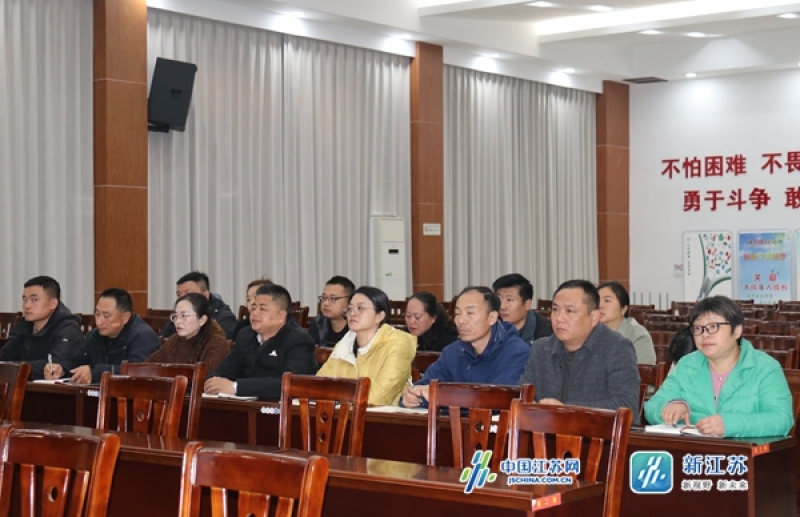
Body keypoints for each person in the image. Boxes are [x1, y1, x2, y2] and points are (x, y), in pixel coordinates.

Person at [645, 296, 792, 438]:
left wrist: (728, 424)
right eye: (698, 328)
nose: (705, 335)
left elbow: (781, 419)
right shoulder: (687, 365)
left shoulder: (765, 368)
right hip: (694, 451)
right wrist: (674, 406)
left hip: (744, 452)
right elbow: (651, 407)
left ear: (737, 330)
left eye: (713, 327)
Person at [517, 280, 640, 423]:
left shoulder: (617, 348)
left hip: (596, 434)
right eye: (555, 309)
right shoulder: (541, 349)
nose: (559, 318)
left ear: (594, 317)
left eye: (570, 311)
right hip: (545, 433)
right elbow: (522, 394)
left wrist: (567, 411)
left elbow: (626, 405)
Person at [401, 286, 530, 409]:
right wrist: (411, 397)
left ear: (492, 318)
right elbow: (424, 386)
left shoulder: (517, 352)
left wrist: (440, 396)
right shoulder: (452, 352)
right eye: (457, 313)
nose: (461, 320)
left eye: (470, 313)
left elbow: (498, 399)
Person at [205, 284, 316, 399]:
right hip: (248, 405)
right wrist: (213, 382)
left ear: (281, 316)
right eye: (253, 308)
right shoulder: (245, 335)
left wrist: (235, 387)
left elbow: (290, 383)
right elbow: (226, 370)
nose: (254, 313)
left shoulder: (299, 340)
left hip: (282, 407)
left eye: (262, 309)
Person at [317, 286, 416, 406]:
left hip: (384, 415)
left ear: (380, 316)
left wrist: (338, 396)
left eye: (361, 308)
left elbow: (378, 397)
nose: (353, 313)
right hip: (345, 413)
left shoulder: (398, 344)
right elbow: (319, 386)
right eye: (350, 309)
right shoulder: (345, 344)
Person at [45, 288, 161, 384]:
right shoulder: (94, 336)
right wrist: (62, 369)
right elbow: (77, 360)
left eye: (106, 316)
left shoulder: (143, 337)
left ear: (125, 317)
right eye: (97, 314)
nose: (99, 321)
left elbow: (138, 372)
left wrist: (95, 373)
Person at [0, 276, 84, 380]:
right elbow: (5, 356)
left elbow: (53, 366)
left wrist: (13, 367)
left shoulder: (68, 329)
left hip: (55, 389)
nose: (27, 305)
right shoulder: (24, 325)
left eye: (34, 300)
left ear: (53, 303)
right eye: (25, 300)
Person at [147, 292, 231, 373]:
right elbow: (149, 367)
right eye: (175, 316)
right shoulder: (174, 341)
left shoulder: (217, 344)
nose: (178, 321)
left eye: (184, 316)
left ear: (202, 320)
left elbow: (202, 376)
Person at [159, 272, 237, 340]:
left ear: (205, 295)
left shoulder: (224, 317)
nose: (181, 299)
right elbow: (163, 339)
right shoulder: (179, 316)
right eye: (179, 295)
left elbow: (224, 344)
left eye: (188, 294)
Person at [597, 281, 656, 364]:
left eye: (607, 300)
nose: (600, 305)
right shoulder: (587, 331)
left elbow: (643, 370)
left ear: (623, 309)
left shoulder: (637, 335)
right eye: (596, 301)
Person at [491, 273, 552, 346]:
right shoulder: (490, 324)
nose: (502, 307)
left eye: (509, 300)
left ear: (527, 304)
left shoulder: (545, 332)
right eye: (499, 299)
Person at [309, 276, 354, 347]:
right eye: (324, 297)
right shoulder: (318, 323)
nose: (326, 303)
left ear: (350, 301)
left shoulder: (356, 326)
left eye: (333, 298)